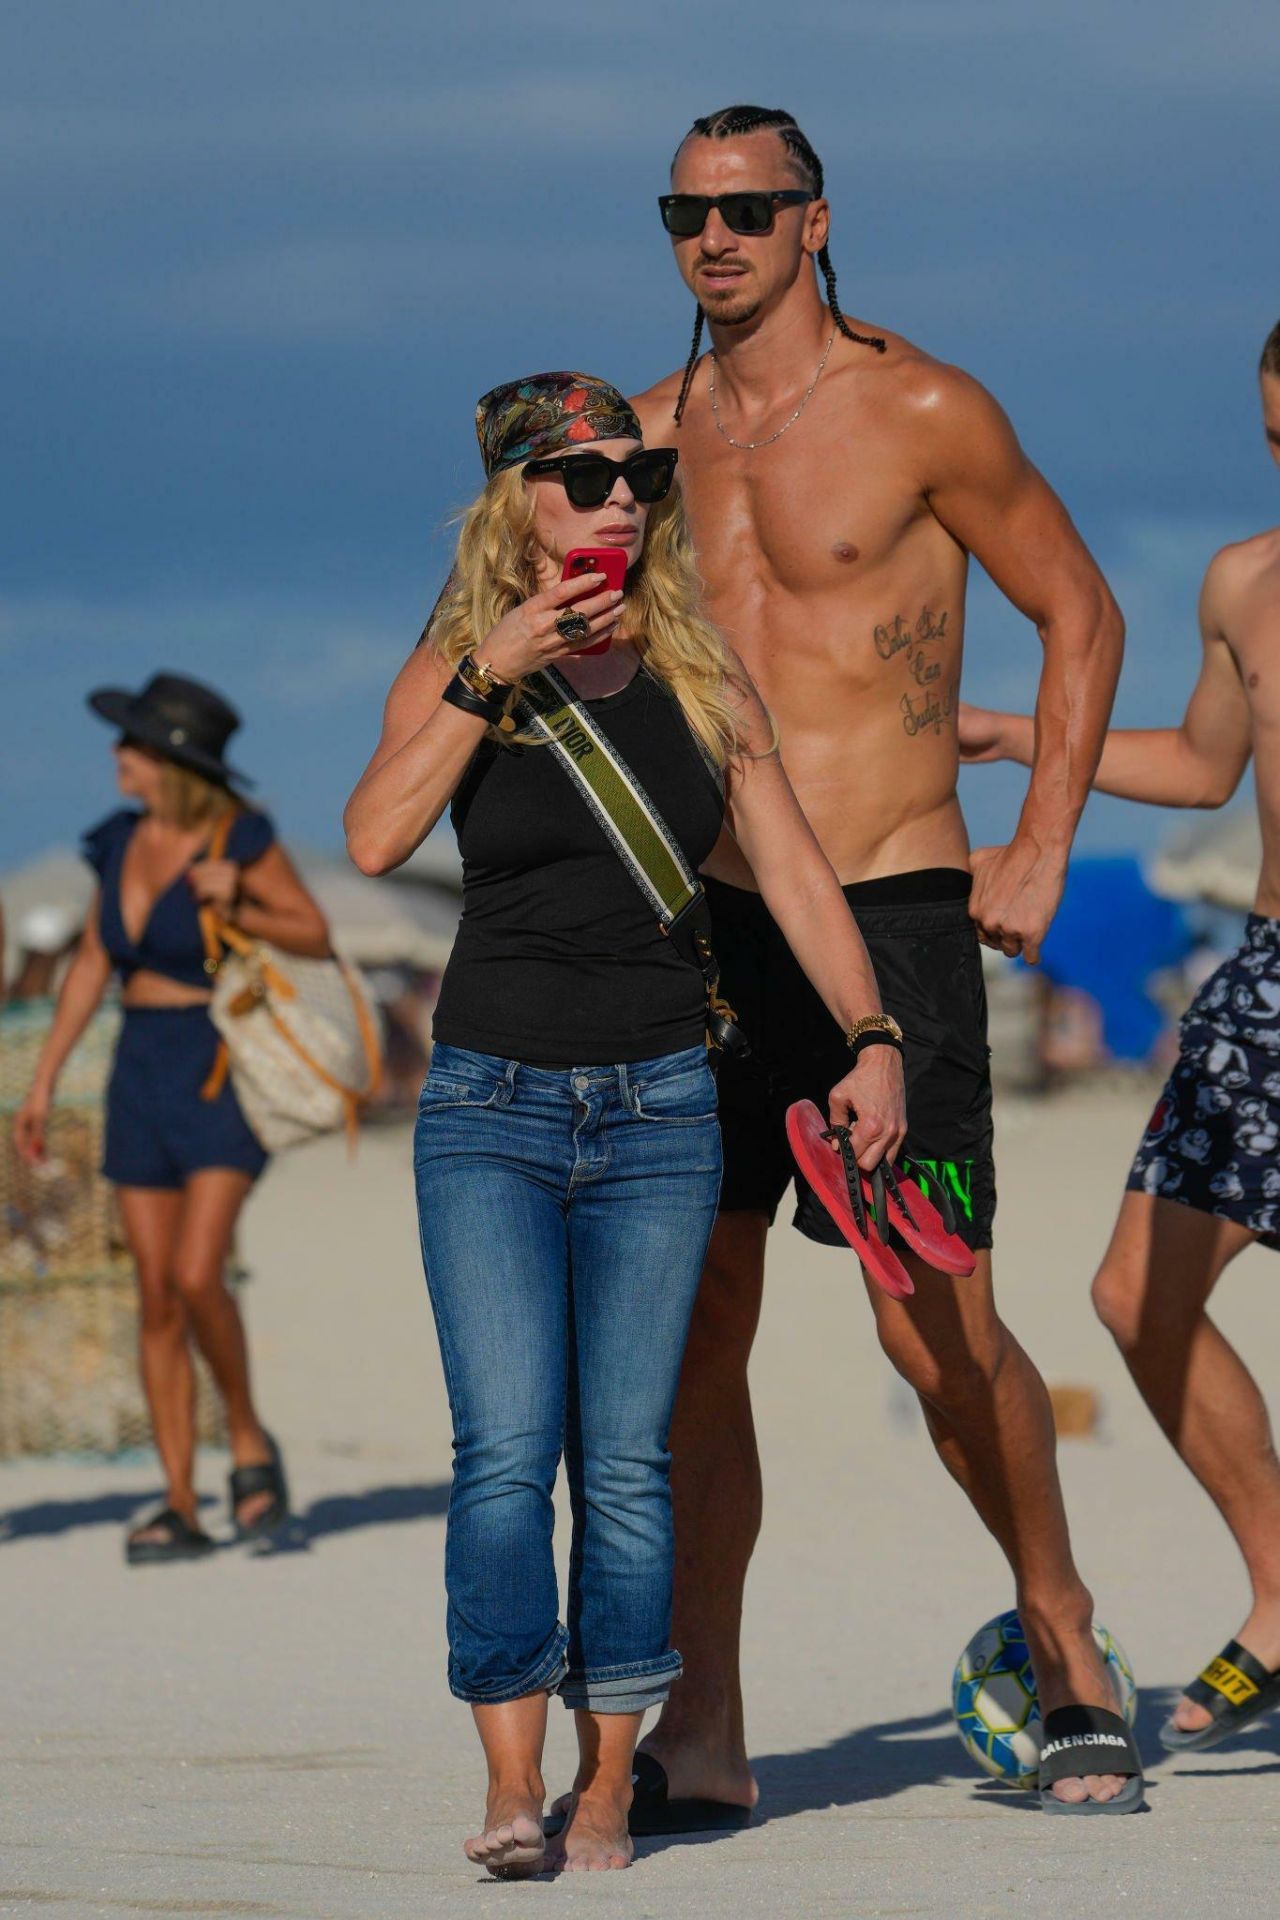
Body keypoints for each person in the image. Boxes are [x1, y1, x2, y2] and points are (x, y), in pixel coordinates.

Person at [625, 103, 1139, 1817]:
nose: (718, 241)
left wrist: (1047, 839)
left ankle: (1060, 1635)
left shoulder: (924, 408)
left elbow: (1082, 608)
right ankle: (705, 1722)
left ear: (816, 222)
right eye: (690, 214)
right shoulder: (640, 442)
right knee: (699, 1329)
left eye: (752, 212)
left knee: (933, 1327)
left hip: (898, 908)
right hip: (713, 924)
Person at [344, 371, 907, 1874]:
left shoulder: (699, 667)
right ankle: (509, 1783)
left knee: (631, 1460)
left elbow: (791, 871)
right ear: (514, 497)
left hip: (663, 1104)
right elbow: (374, 832)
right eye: (583, 478)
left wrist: (873, 1035)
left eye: (634, 481)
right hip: (489, 1104)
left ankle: (609, 1785)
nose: (615, 503)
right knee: (503, 1452)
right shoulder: (461, 656)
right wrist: (489, 672)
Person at [962, 317, 1280, 1756]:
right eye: (1276, 430)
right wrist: (1033, 736)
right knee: (1133, 1294)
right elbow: (1209, 762)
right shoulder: (1246, 582)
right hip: (1266, 982)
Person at [13, 673, 329, 1562]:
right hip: (138, 1071)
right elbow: (87, 964)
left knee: (197, 1275)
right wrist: (42, 1084)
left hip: (219, 1064)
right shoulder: (114, 842)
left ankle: (250, 1438)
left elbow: (315, 934)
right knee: (153, 1294)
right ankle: (182, 1501)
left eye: (131, 745)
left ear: (169, 761)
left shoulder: (240, 835)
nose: (115, 757)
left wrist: (243, 897)